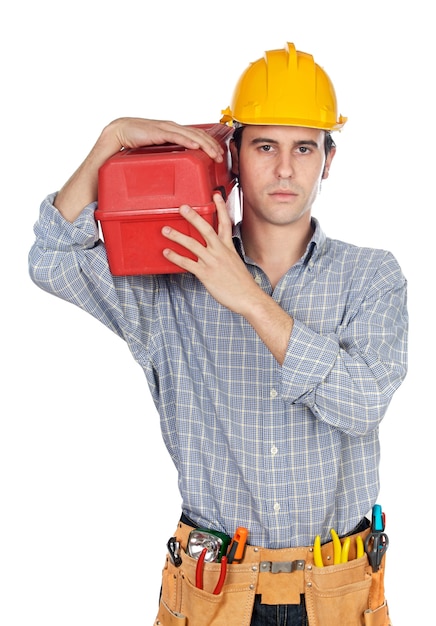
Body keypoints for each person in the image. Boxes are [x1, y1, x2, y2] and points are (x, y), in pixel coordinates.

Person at [29, 43, 407, 626]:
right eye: (264, 146)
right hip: (214, 595)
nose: (285, 169)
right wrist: (108, 144)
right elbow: (53, 258)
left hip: (340, 594)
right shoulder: (169, 286)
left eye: (304, 147)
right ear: (232, 155)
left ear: (328, 159)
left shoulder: (372, 277)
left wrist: (248, 298)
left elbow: (362, 403)